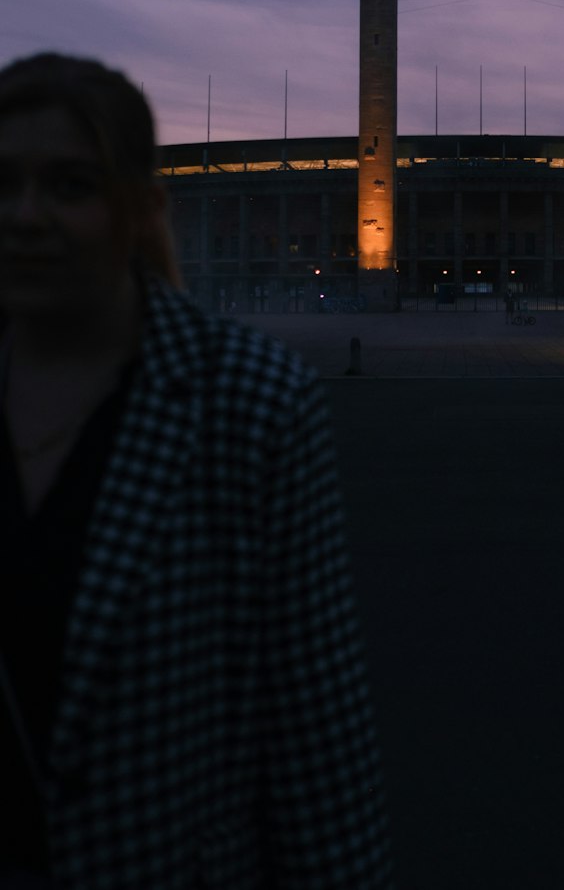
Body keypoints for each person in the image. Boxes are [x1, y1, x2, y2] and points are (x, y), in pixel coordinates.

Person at [0, 53, 393, 888]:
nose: (24, 214)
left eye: (69, 184)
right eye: (2, 183)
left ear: (141, 209)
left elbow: (314, 741)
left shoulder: (249, 403)